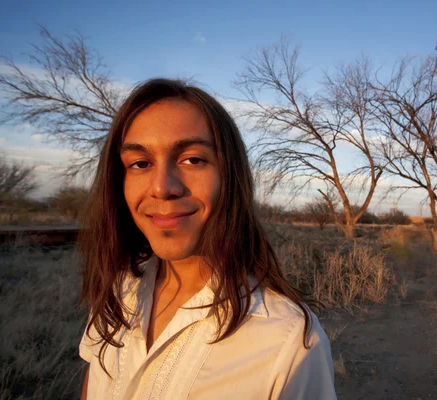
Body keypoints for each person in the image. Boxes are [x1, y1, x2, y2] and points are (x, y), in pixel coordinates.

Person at [77, 78, 336, 400]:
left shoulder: (291, 340)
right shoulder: (119, 290)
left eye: (193, 159)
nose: (162, 187)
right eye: (140, 163)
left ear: (230, 177)